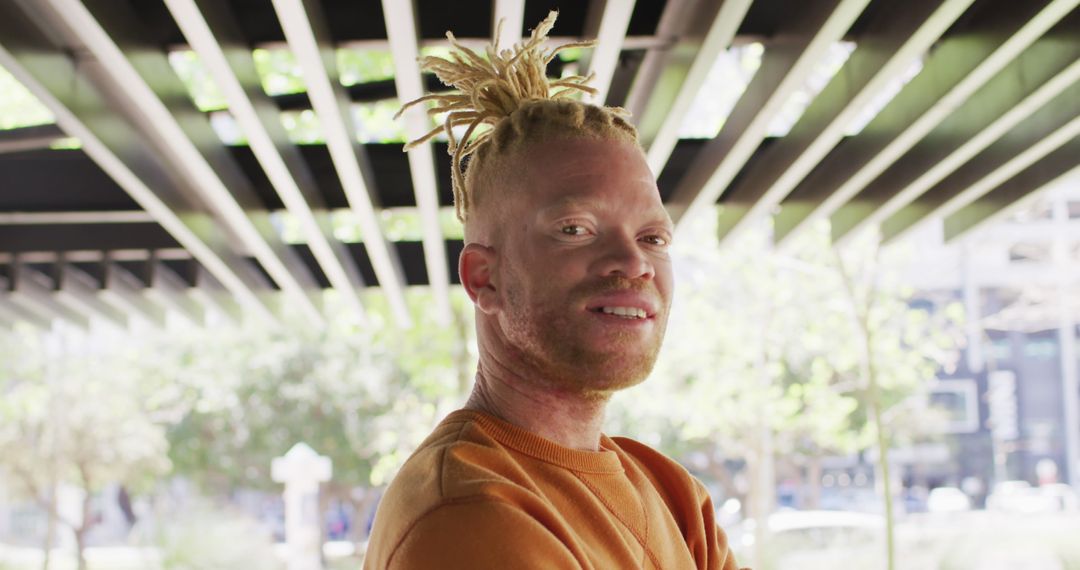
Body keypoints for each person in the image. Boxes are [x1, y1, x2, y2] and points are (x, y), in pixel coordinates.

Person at [363, 12, 743, 569]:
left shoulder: (673, 496)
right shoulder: (471, 514)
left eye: (652, 236)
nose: (634, 262)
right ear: (483, 279)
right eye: (575, 230)